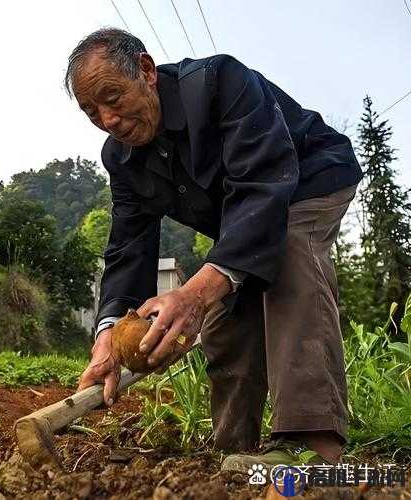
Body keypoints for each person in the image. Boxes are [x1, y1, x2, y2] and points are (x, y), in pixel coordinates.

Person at [66, 28, 362, 472]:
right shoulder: (122, 158)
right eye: (92, 111)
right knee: (224, 315)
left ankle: (311, 442)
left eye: (113, 98)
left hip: (307, 176)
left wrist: (195, 292)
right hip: (244, 216)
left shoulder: (220, 82)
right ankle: (230, 447)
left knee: (288, 255)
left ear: (146, 71)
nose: (107, 119)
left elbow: (264, 187)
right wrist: (109, 334)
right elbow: (128, 248)